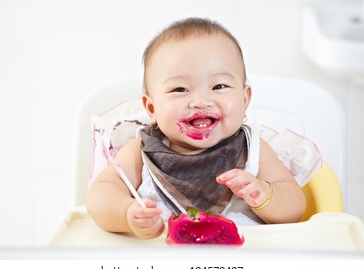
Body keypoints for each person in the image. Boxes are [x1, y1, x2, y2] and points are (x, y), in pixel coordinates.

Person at [87, 17, 306, 239]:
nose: (201, 101)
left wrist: (265, 194)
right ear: (151, 108)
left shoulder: (254, 150)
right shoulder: (139, 153)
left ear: (244, 98)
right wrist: (126, 213)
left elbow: (295, 207)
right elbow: (100, 196)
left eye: (219, 86)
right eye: (180, 89)